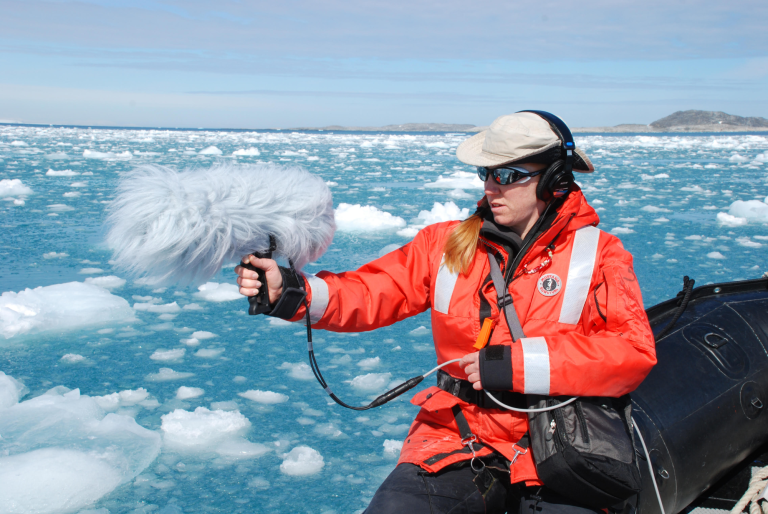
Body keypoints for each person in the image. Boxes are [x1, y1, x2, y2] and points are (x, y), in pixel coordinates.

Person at [234, 111, 656, 513]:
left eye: (507, 175)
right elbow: (374, 291)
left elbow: (631, 352)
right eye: (486, 174)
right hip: (457, 436)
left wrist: (518, 365)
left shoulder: (600, 256)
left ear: (553, 180)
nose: (491, 187)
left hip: (561, 442)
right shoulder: (447, 244)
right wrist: (293, 293)